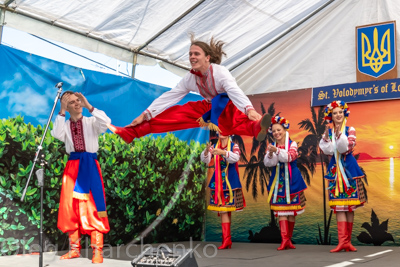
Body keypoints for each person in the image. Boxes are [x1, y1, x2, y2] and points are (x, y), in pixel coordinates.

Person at [108, 35, 271, 142]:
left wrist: (248, 109)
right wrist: (145, 114)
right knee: (175, 114)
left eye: (196, 54)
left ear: (207, 58)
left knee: (233, 119)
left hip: (227, 104)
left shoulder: (220, 72)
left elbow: (234, 91)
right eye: (190, 54)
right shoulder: (190, 77)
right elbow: (171, 96)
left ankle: (258, 127)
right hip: (206, 107)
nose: (192, 57)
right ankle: (131, 132)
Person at [51, 91, 111, 263]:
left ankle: (97, 251)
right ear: (67, 107)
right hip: (73, 166)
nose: (76, 104)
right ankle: (74, 249)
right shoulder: (65, 124)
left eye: (78, 101)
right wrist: (61, 111)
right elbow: (56, 134)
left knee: (93, 206)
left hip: (90, 165)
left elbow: (106, 123)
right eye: (72, 102)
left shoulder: (92, 121)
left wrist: (89, 105)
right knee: (70, 207)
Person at [319, 100, 366, 253]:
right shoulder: (329, 133)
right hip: (335, 171)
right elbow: (328, 151)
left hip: (349, 170)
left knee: (349, 208)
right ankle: (342, 242)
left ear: (344, 113)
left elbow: (346, 149)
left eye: (340, 112)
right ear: (330, 116)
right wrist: (327, 139)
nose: (338, 115)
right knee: (340, 207)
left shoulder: (350, 130)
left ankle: (348, 242)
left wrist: (339, 136)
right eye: (335, 113)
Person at [263, 116, 307, 250]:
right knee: (282, 211)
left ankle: (289, 239)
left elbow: (290, 157)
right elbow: (268, 163)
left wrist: (276, 151)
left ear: (284, 129)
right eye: (274, 131)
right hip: (278, 181)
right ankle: (284, 240)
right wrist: (270, 154)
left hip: (292, 180)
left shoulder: (292, 144)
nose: (276, 133)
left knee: (291, 211)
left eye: (279, 130)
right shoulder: (272, 146)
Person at [200, 134, 245, 250]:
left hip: (230, 181)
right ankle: (227, 239)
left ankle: (226, 240)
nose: (221, 132)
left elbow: (235, 158)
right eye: (220, 129)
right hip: (218, 181)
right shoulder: (214, 146)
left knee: (225, 211)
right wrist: (206, 151)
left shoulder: (234, 146)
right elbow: (205, 160)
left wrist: (223, 152)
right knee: (225, 211)